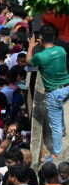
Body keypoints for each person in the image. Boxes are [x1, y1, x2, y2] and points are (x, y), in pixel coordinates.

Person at [29, 24, 69, 157]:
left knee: (55, 125)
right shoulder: (61, 51)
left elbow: (29, 61)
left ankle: (57, 152)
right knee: (59, 107)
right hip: (66, 87)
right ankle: (63, 130)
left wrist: (31, 46)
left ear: (40, 38)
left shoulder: (41, 56)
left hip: (54, 92)